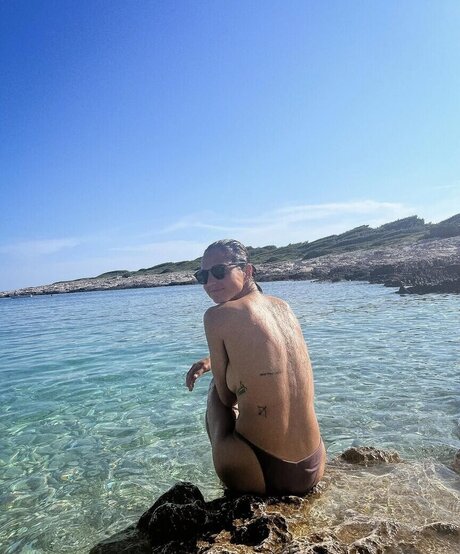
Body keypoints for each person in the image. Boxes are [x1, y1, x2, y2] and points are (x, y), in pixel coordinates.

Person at [185, 239, 325, 495]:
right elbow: (271, 357)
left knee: (216, 386)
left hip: (261, 471)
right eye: (202, 276)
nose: (210, 282)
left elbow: (226, 399)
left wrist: (221, 372)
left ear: (247, 270)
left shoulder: (216, 315)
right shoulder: (283, 307)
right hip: (314, 466)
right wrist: (211, 361)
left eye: (219, 271)